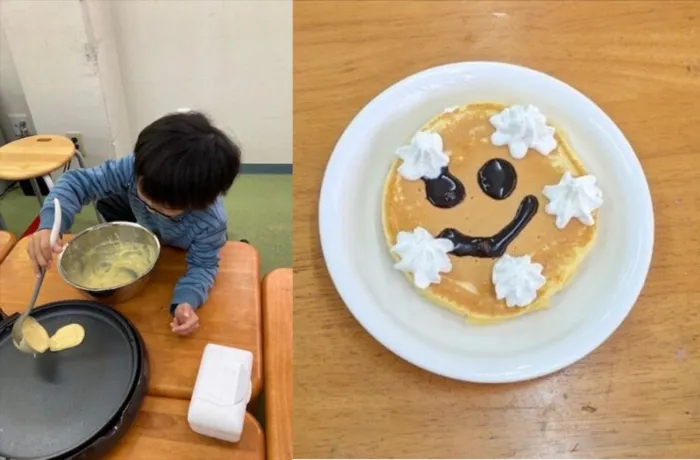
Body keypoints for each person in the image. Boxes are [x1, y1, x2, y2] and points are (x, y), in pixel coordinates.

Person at [27, 111, 241, 336]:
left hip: (183, 251)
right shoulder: (136, 169)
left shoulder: (210, 222)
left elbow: (203, 267)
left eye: (164, 207)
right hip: (152, 236)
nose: (149, 206)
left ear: (196, 204)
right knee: (110, 204)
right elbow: (76, 183)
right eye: (144, 196)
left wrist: (186, 302)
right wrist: (50, 225)